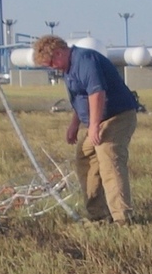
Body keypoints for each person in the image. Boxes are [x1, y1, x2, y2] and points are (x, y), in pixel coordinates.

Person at [30, 34, 138, 224]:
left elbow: (96, 93)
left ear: (59, 52)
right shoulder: (67, 68)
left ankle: (122, 217)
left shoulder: (85, 60)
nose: (51, 67)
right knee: (85, 156)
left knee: (108, 157)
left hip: (117, 116)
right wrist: (74, 124)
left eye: (51, 62)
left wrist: (94, 126)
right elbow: (80, 99)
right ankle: (98, 214)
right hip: (98, 120)